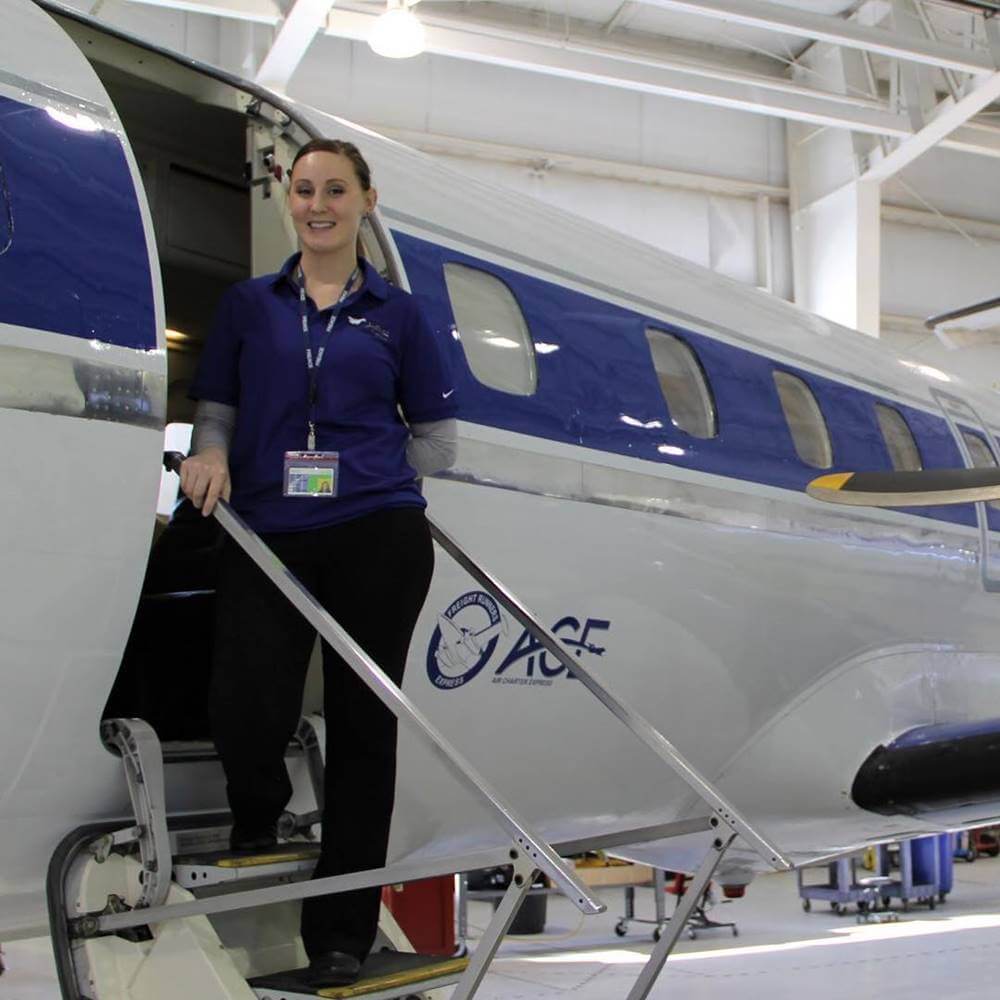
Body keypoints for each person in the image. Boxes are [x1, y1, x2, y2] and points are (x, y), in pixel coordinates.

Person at [180, 138, 458, 988]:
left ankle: (338, 934)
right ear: (289, 201)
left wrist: (371, 464)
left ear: (366, 200)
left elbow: (438, 441)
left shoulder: (399, 316)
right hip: (269, 527)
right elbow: (218, 407)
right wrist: (208, 454)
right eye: (303, 190)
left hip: (376, 533)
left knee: (365, 731)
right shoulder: (248, 306)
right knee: (245, 699)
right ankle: (257, 813)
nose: (318, 203)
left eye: (335, 188)